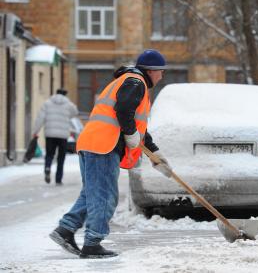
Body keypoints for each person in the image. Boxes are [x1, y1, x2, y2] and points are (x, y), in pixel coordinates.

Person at [49, 49, 173, 259]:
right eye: (161, 72)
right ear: (151, 71)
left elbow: (137, 124)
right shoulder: (136, 82)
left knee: (92, 193)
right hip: (104, 145)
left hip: (91, 142)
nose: (161, 76)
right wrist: (130, 133)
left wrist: (155, 153)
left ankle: (66, 230)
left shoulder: (128, 81)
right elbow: (124, 111)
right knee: (105, 196)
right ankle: (93, 243)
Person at [33, 88, 79, 185]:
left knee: (49, 154)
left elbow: (40, 118)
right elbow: (75, 112)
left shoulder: (47, 103)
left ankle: (47, 167)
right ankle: (58, 179)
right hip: (63, 135)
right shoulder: (68, 104)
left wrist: (35, 131)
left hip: (50, 134)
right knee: (61, 157)